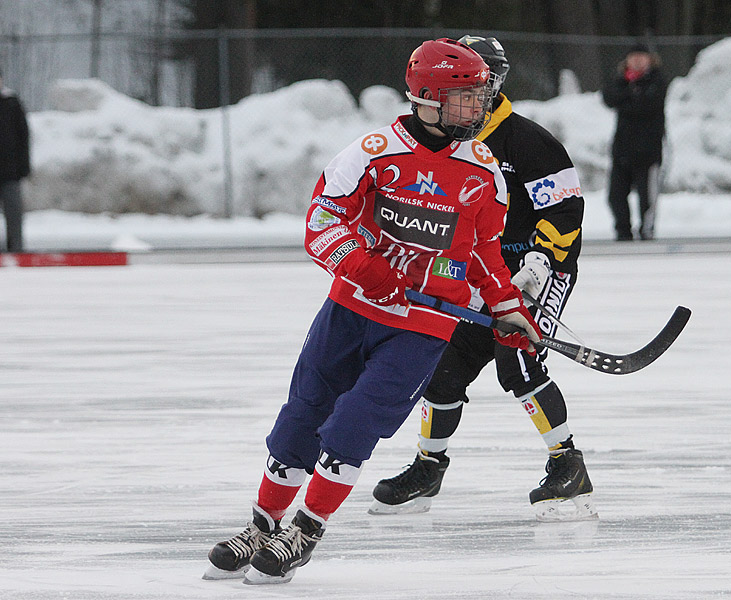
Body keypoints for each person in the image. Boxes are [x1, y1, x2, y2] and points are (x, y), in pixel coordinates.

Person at [204, 38, 540, 585]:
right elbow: (321, 224)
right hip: (350, 312)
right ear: (428, 98)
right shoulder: (371, 152)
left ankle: (305, 532)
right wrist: (368, 269)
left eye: (480, 96)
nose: (477, 108)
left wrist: (508, 307)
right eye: (464, 97)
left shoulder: (483, 172)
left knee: (353, 424)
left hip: (423, 327)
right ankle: (262, 526)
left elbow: (483, 254)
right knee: (302, 417)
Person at [369, 35, 595, 522]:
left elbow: (567, 209)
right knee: (444, 366)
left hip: (540, 271)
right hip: (481, 276)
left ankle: (568, 463)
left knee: (517, 363)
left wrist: (539, 262)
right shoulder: (449, 142)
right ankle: (428, 467)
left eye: (481, 79)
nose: (472, 90)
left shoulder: (529, 141)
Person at [602, 43, 668, 241]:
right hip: (622, 149)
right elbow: (609, 97)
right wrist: (631, 95)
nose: (637, 60)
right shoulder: (621, 80)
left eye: (642, 56)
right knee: (616, 195)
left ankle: (647, 231)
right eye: (634, 56)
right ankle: (623, 231)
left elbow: (647, 104)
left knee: (647, 197)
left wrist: (629, 99)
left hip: (648, 151)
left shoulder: (657, 80)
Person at [0, 68, 30, 253]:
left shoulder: (12, 103)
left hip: (10, 173)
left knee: (14, 214)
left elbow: (23, 136)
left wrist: (23, 167)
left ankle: (16, 251)